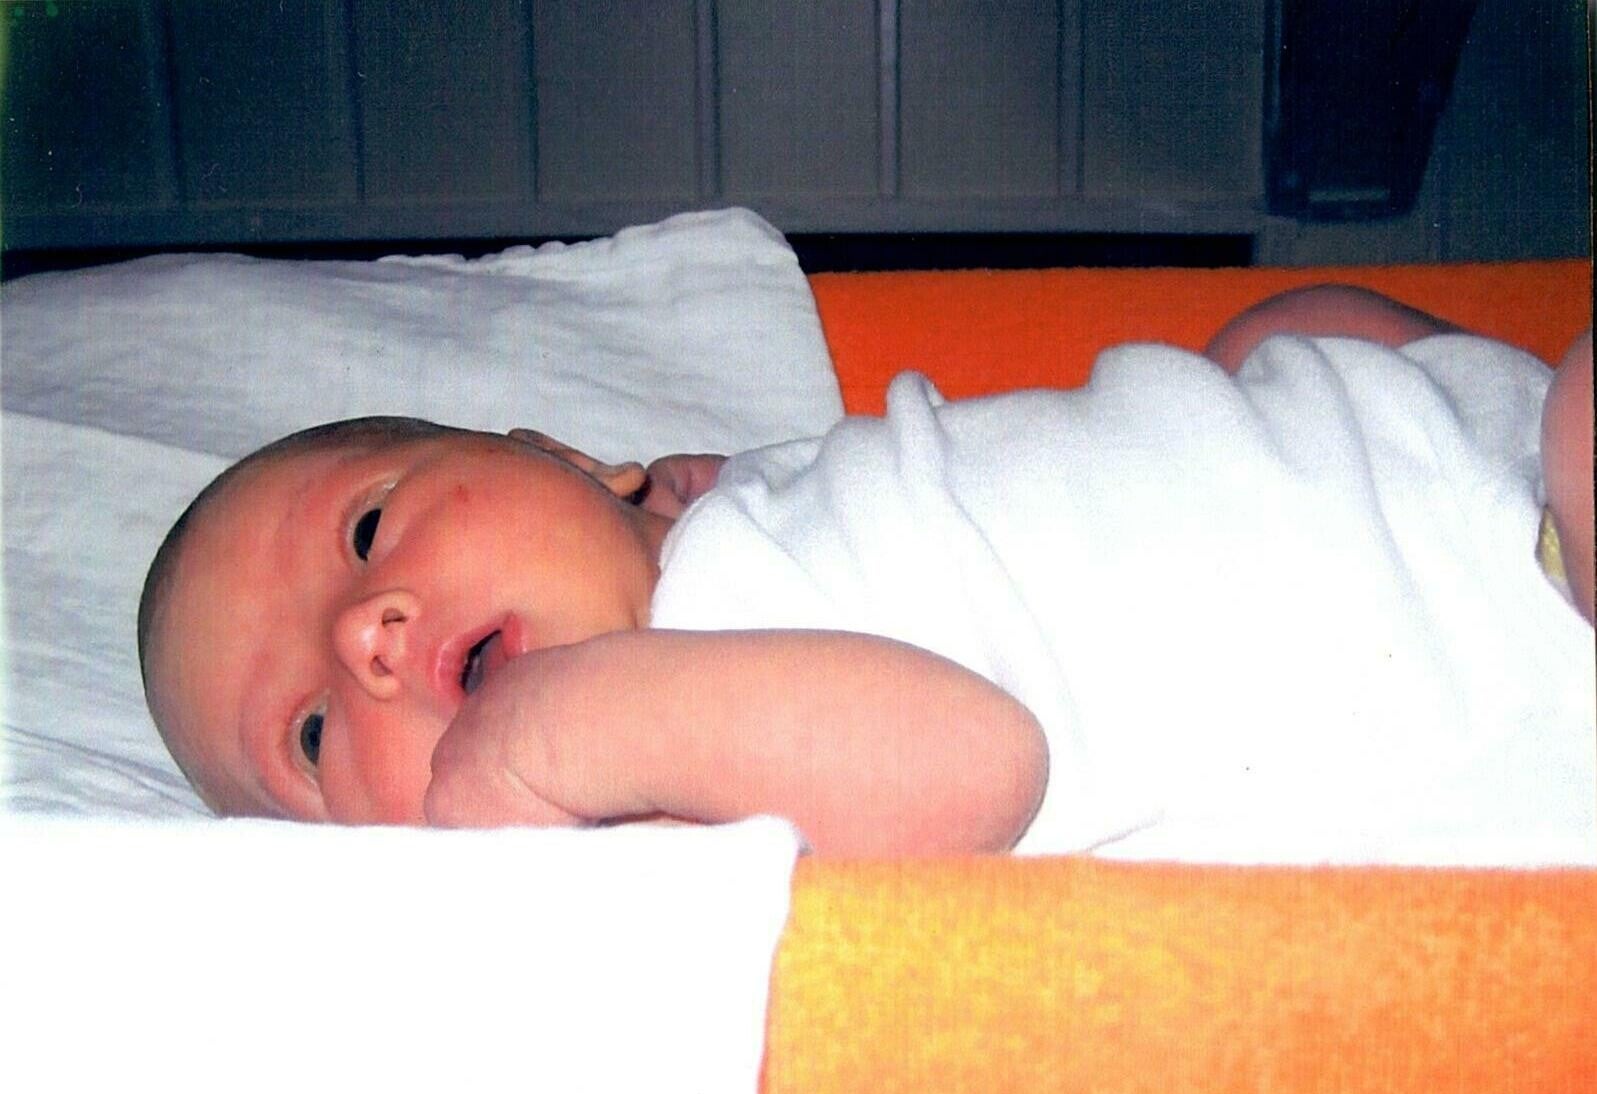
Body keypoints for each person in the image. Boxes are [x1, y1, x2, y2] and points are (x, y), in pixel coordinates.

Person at [137, 286, 1595, 859]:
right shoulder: (660, 788)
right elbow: (975, 761)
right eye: (311, 735)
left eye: (368, 532)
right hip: (1511, 645)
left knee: (1285, 324)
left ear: (573, 457)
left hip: (1410, 439)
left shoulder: (726, 523)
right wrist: (549, 735)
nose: (367, 635)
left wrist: (713, 489)